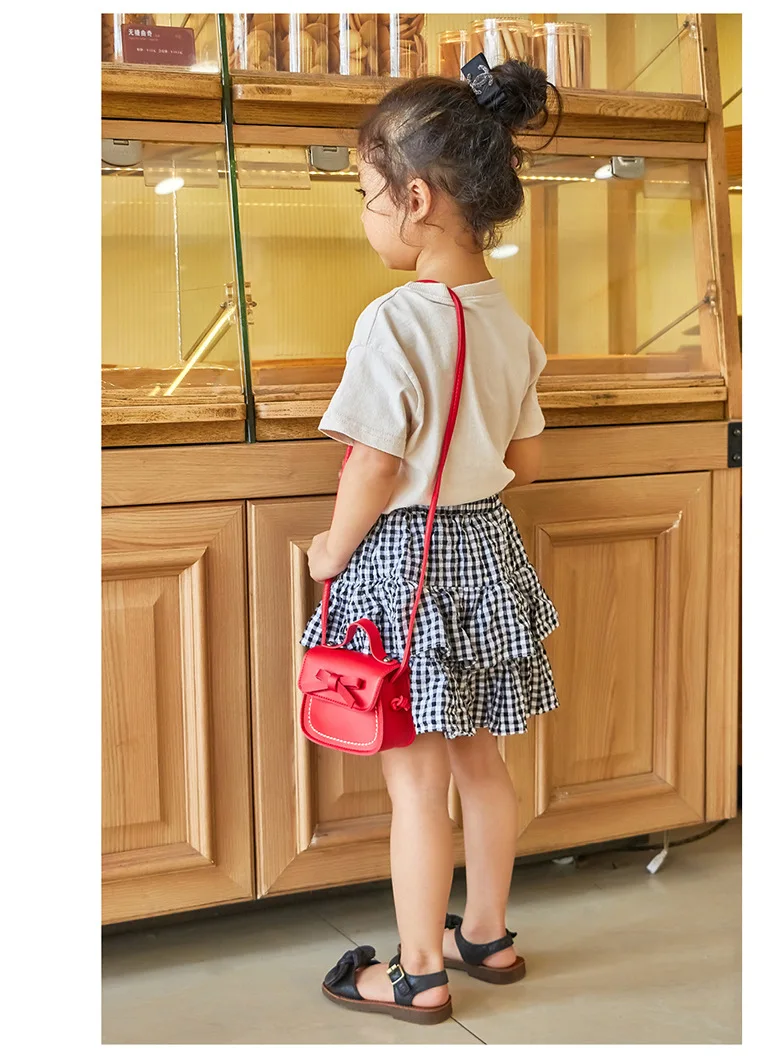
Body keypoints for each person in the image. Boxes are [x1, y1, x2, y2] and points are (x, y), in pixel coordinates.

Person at [301, 58, 560, 1026]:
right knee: (480, 763)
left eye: (368, 195)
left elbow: (372, 463)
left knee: (413, 782)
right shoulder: (511, 324)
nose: (368, 216)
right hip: (485, 550)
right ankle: (484, 933)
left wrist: (331, 550)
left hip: (404, 563)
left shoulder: (394, 320)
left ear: (416, 199)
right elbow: (525, 460)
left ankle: (415, 972)